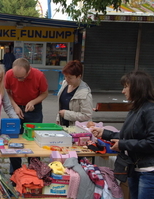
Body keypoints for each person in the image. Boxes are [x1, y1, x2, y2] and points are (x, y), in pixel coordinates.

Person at [91, 70, 154, 199]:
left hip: (149, 171)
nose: (123, 91)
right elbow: (128, 136)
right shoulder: (136, 109)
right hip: (134, 168)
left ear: (137, 88)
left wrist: (123, 144)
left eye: (126, 87)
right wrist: (105, 133)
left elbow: (152, 142)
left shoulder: (150, 110)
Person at [5, 58, 48, 174]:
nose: (18, 80)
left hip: (34, 110)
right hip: (16, 107)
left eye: (21, 77)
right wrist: (14, 106)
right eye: (16, 77)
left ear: (28, 72)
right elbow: (7, 91)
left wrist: (33, 102)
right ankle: (15, 172)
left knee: (34, 141)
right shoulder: (9, 74)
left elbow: (45, 93)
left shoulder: (39, 75)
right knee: (14, 140)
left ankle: (34, 171)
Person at [56, 60, 93, 127]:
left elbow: (87, 115)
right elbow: (62, 105)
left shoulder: (85, 93)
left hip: (77, 129)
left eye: (70, 77)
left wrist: (66, 114)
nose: (67, 79)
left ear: (79, 76)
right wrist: (58, 118)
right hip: (63, 126)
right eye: (65, 76)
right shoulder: (65, 84)